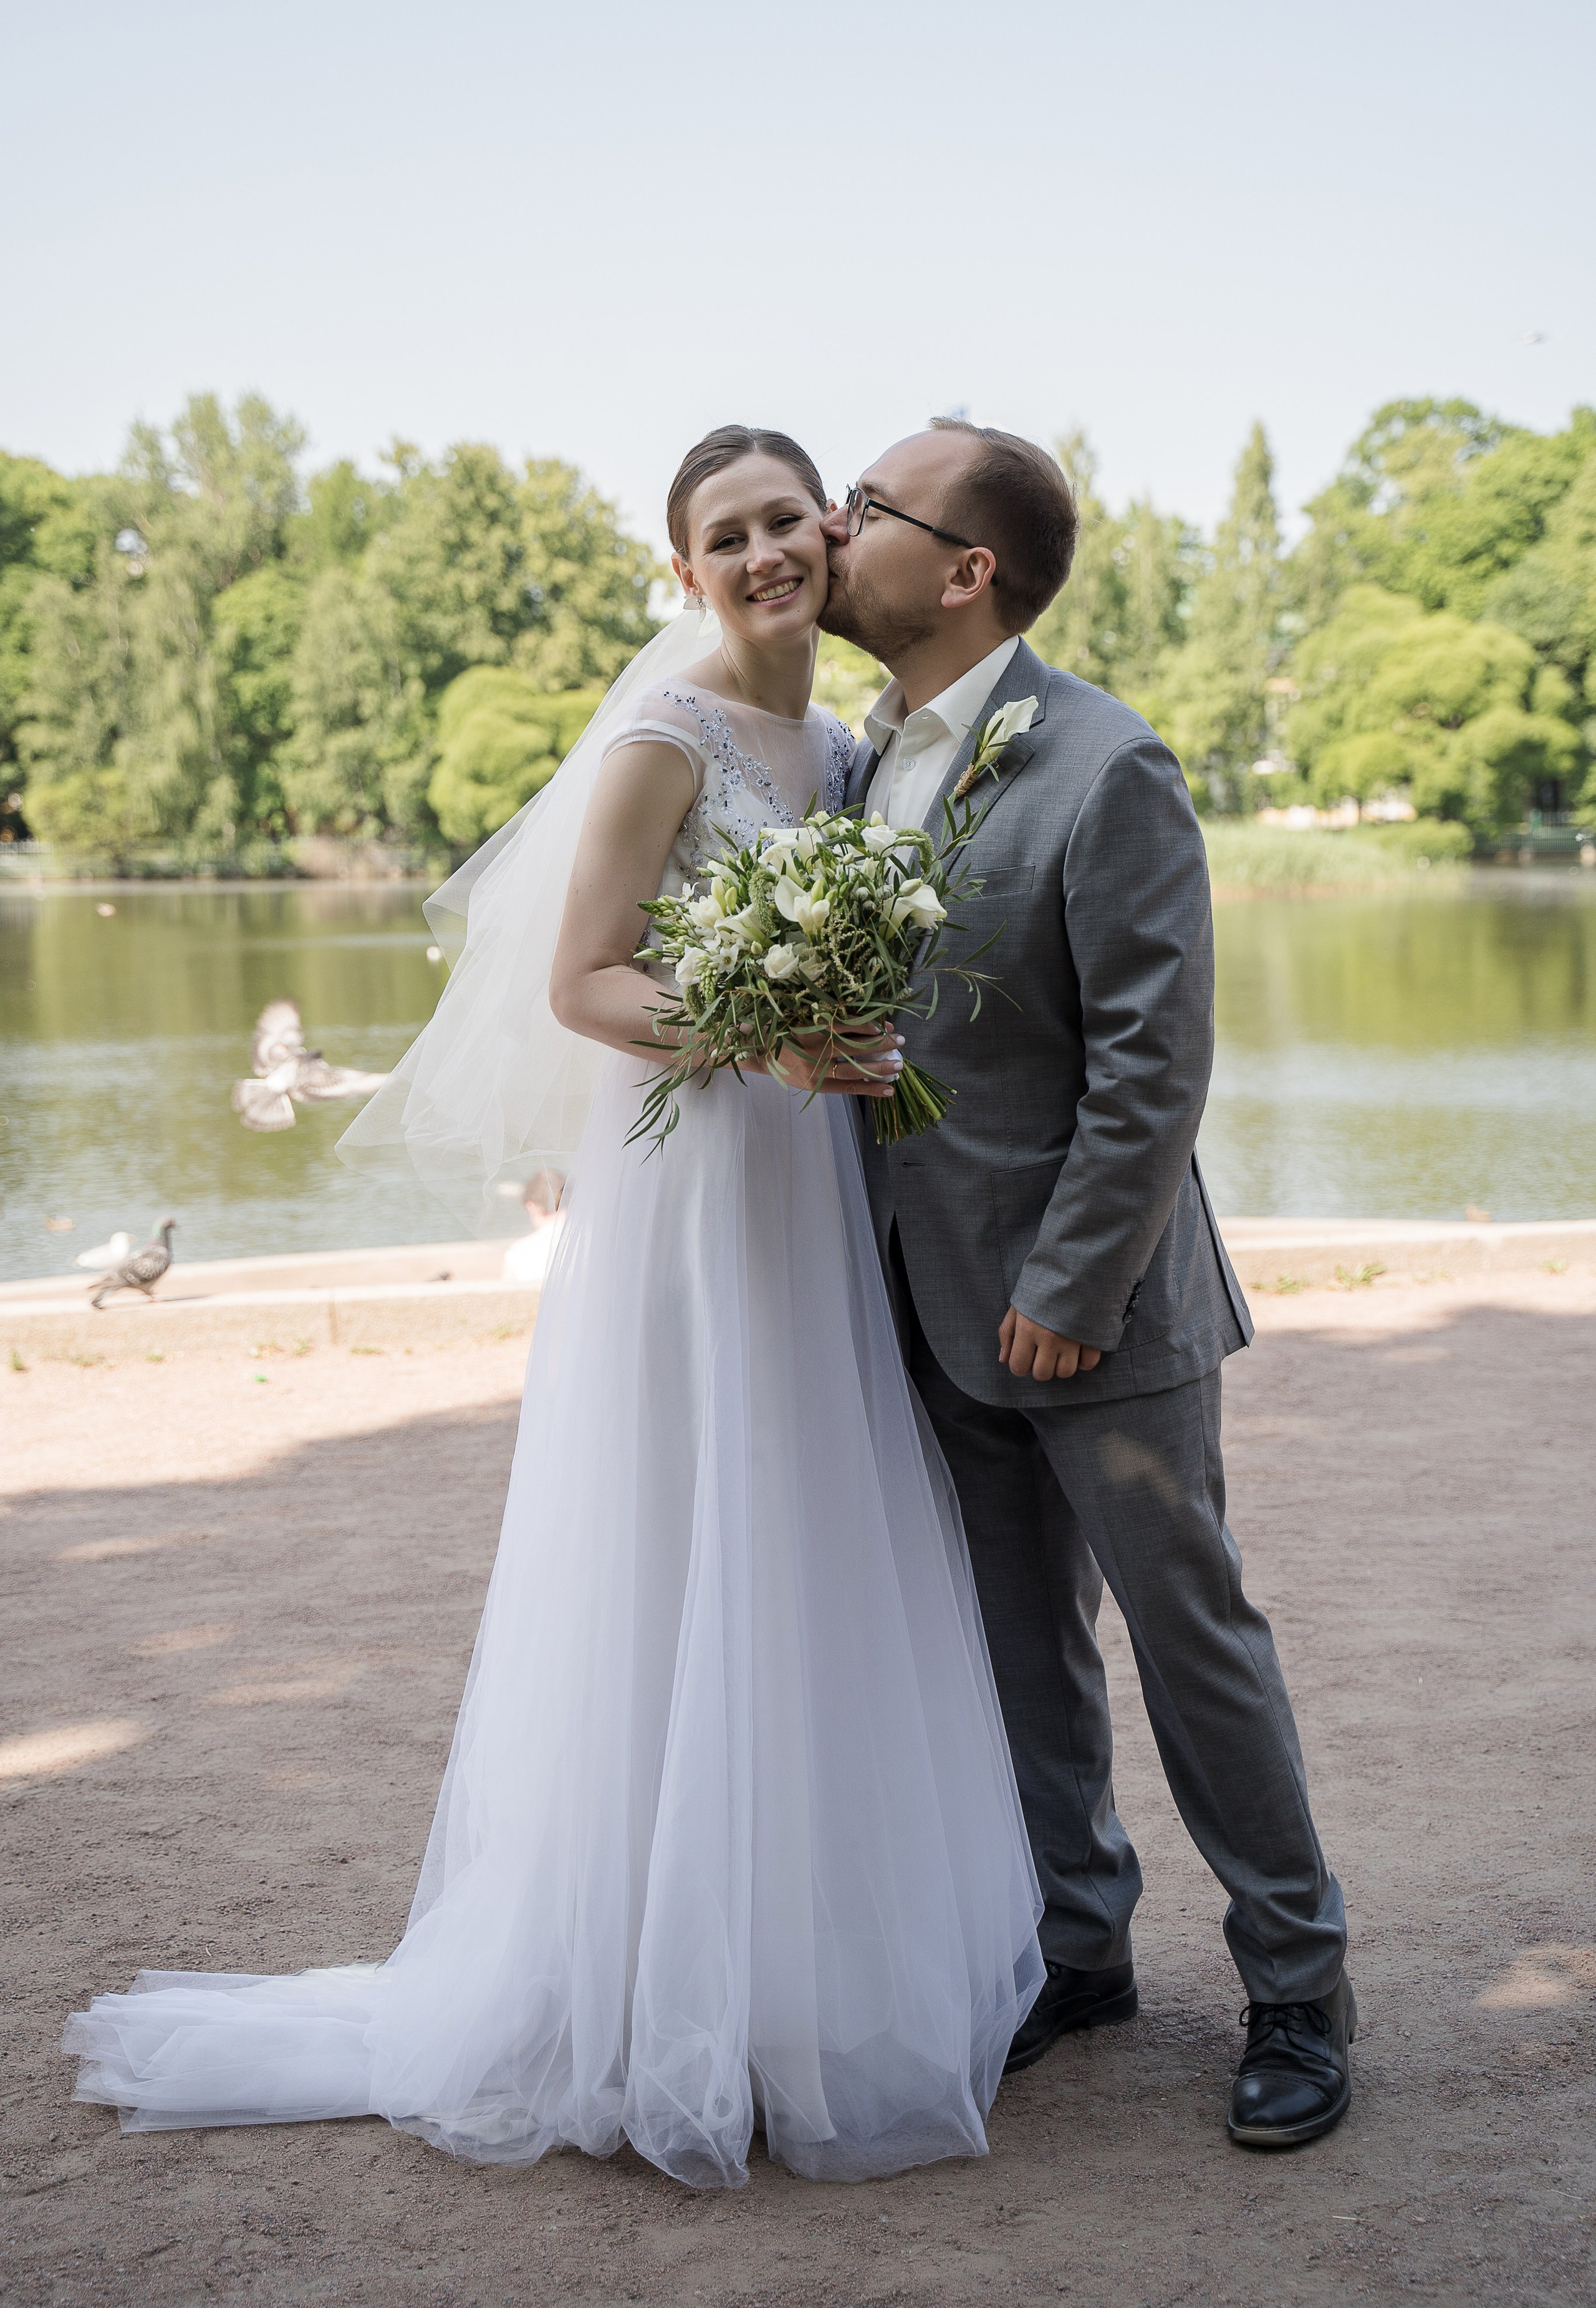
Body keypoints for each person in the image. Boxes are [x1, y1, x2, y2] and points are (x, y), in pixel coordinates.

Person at [62, 428, 1043, 2189]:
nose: (759, 556)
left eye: (780, 523)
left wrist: (841, 1037)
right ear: (683, 574)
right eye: (720, 536)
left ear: (829, 536)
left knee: (809, 1533)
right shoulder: (663, 739)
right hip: (691, 1196)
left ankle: (784, 1987)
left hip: (810, 1181)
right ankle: (633, 1993)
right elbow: (581, 977)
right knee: (685, 1535)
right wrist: (767, 1032)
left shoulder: (843, 750)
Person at [820, 420, 1354, 2150]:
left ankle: (1298, 1988)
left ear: (967, 569)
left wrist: (1072, 1281)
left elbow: (1154, 1061)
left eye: (871, 507)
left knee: (1195, 1646)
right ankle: (1080, 1948)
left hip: (1094, 1311)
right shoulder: (857, 765)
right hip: (921, 1293)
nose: (836, 527)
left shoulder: (1106, 765)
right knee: (1017, 1652)